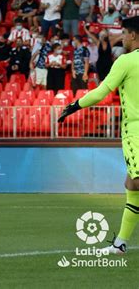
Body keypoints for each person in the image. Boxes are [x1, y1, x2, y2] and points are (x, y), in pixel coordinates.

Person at [58, 16, 139, 255]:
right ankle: (121, 243)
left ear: (133, 35)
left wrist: (74, 105)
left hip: (135, 131)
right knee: (131, 185)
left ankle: (120, 244)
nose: (121, 38)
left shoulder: (126, 61)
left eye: (124, 33)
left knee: (137, 182)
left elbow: (102, 92)